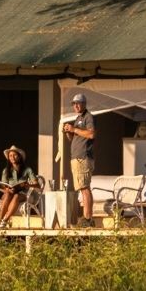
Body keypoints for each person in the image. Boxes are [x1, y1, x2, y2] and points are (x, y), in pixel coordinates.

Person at [63, 92, 96, 226]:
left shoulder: (88, 117)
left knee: (84, 187)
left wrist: (74, 129)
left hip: (83, 157)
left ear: (84, 104)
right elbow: (75, 138)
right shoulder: (78, 119)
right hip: (76, 157)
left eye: (78, 103)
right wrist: (69, 132)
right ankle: (86, 218)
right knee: (82, 188)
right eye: (74, 104)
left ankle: (87, 218)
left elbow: (91, 134)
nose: (75, 106)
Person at [0, 145, 38, 227]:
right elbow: (3, 184)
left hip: (24, 194)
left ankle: (5, 220)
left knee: (16, 196)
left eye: (14, 155)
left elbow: (37, 184)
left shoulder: (27, 169)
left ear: (19, 156)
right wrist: (7, 188)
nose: (12, 157)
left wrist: (27, 184)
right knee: (7, 194)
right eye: (10, 156)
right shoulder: (6, 170)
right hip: (10, 192)